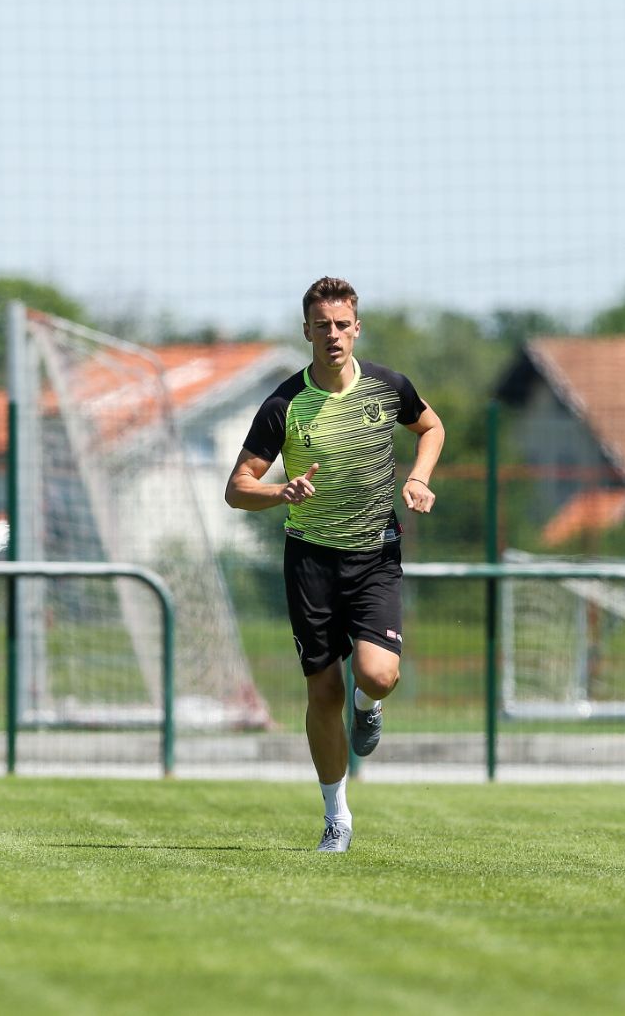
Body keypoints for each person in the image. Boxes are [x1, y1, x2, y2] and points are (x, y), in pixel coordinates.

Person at [226, 277, 445, 852]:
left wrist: (418, 477)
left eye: (342, 324)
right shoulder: (284, 404)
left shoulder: (388, 387)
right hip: (311, 563)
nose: (332, 335)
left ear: (357, 328)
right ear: (306, 331)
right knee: (321, 692)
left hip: (375, 555)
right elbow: (238, 488)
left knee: (378, 675)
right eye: (321, 325)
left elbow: (431, 426)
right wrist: (281, 493)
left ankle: (367, 707)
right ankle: (336, 817)